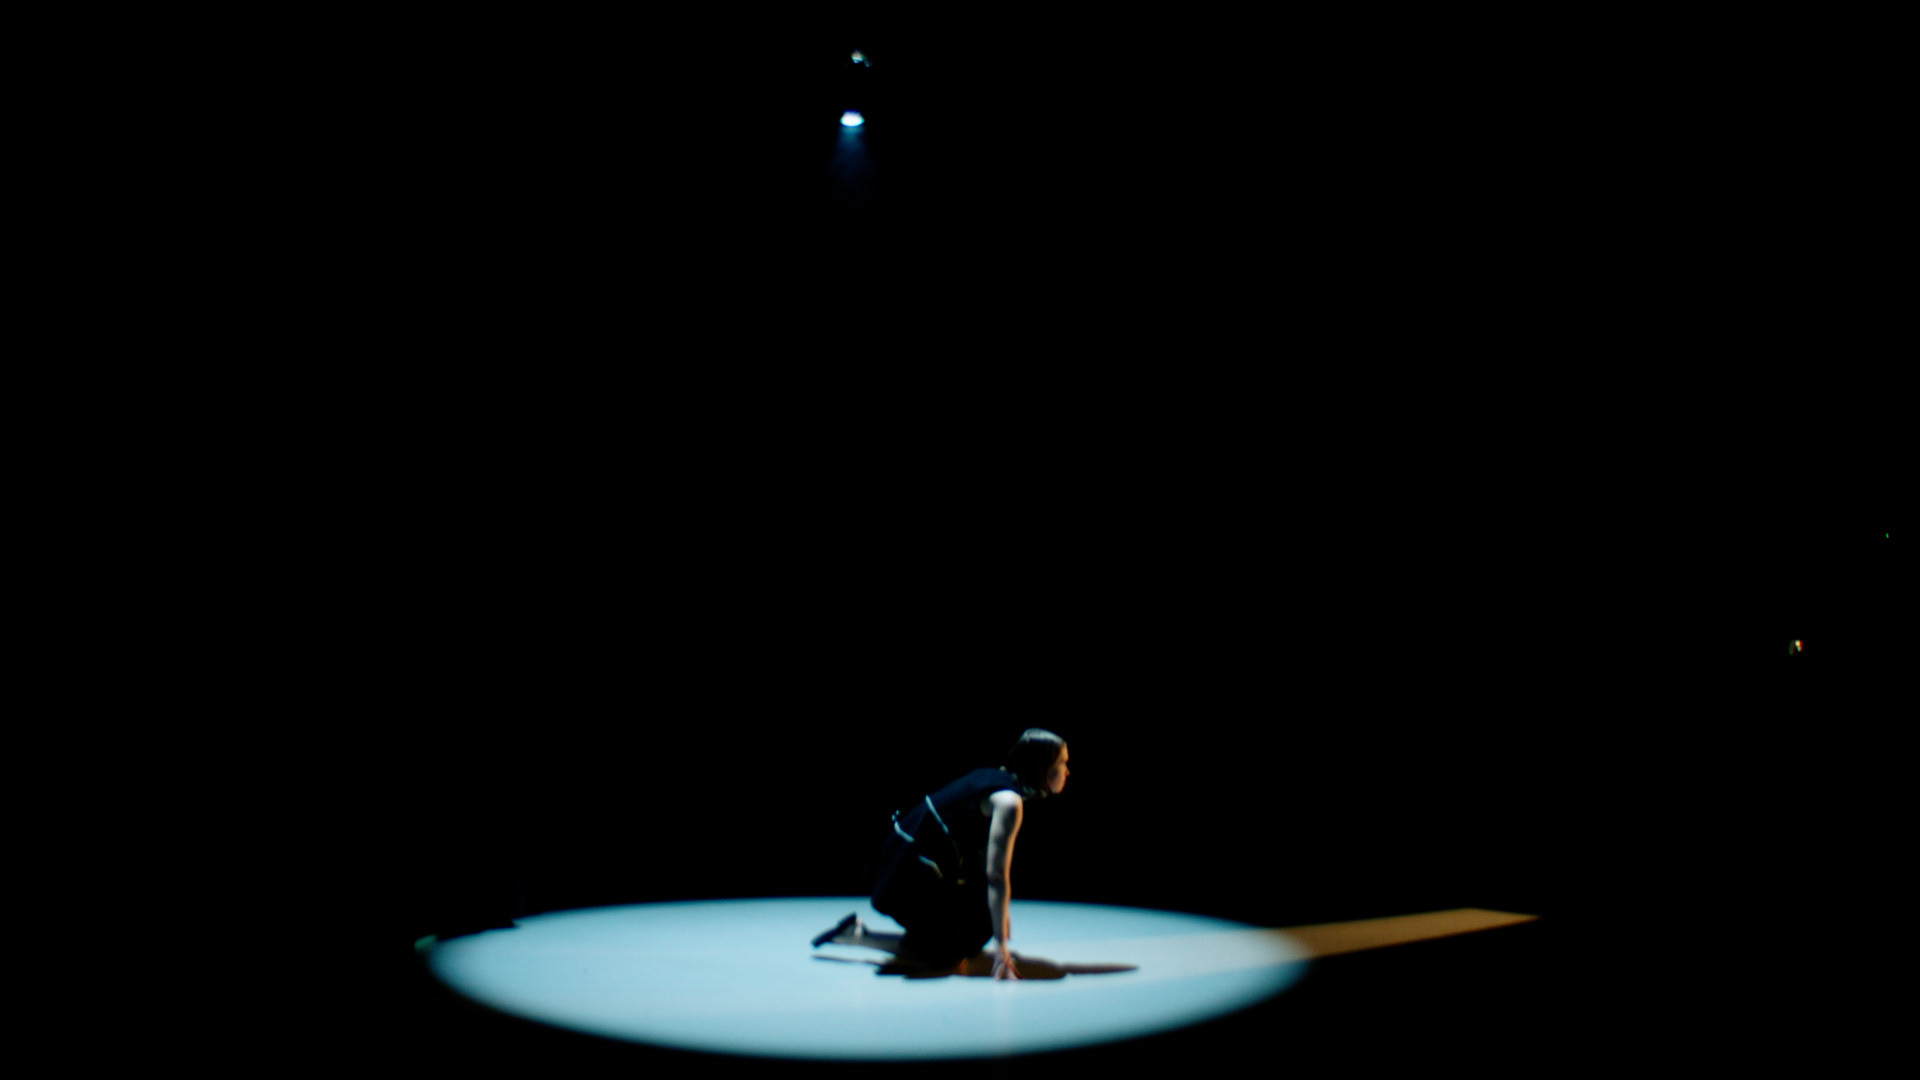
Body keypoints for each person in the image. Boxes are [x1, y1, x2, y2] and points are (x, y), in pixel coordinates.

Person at [812, 730, 1070, 980]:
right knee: (949, 953)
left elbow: (980, 857)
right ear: (1043, 766)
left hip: (905, 855)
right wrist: (1001, 946)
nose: (1067, 771)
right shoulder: (1009, 802)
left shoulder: (994, 777)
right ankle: (858, 936)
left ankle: (878, 936)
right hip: (906, 871)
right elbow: (996, 875)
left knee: (976, 928)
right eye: (1062, 763)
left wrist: (998, 917)